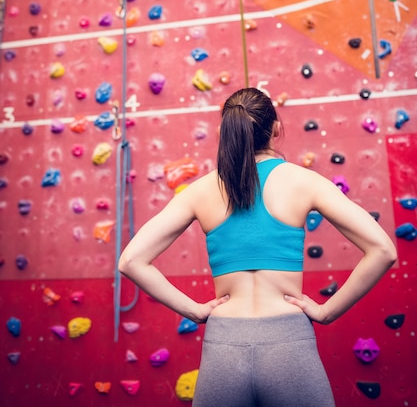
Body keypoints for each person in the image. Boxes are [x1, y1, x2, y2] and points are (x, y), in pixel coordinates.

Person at [118, 87, 397, 406]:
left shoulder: (200, 191)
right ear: (276, 130)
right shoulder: (303, 181)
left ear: (226, 131)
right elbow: (383, 250)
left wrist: (193, 311)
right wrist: (326, 312)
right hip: (288, 347)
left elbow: (130, 261)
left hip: (224, 347)